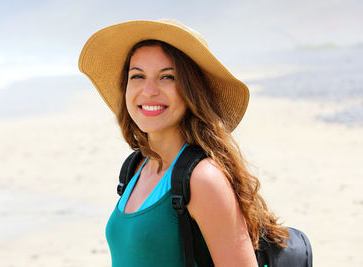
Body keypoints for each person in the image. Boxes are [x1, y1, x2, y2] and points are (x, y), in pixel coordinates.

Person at [79, 19, 289, 266]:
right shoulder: (136, 167)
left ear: (191, 90)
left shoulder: (203, 179)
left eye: (167, 77)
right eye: (137, 76)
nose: (148, 91)